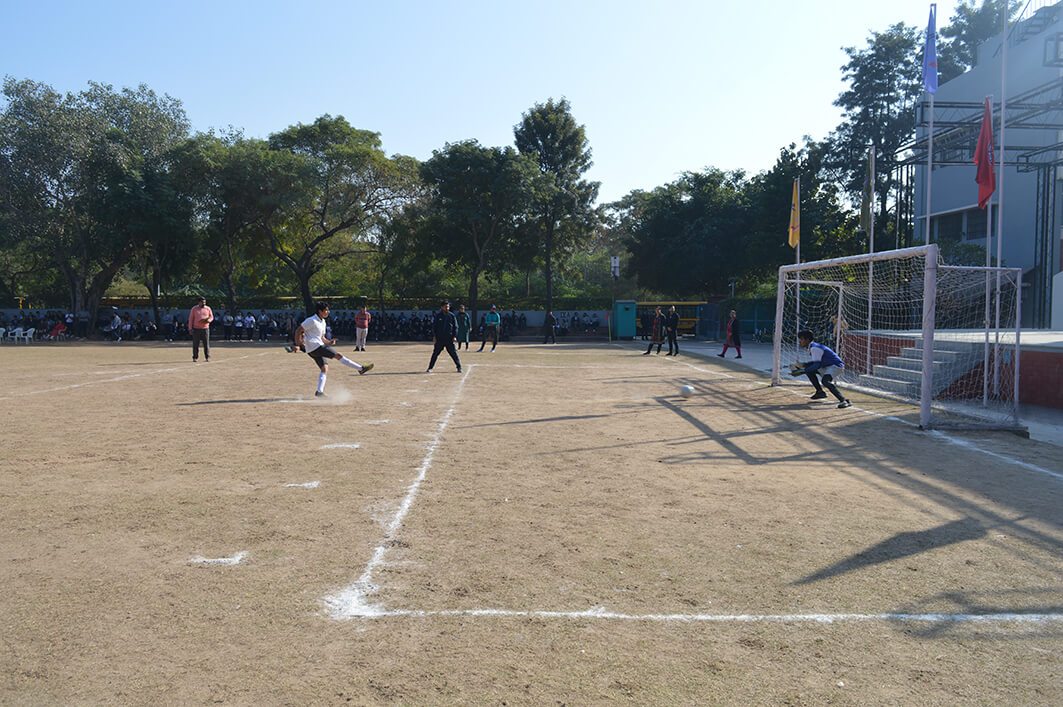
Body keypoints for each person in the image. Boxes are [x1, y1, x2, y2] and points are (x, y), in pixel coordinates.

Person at [286, 301, 373, 397]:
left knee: (324, 368)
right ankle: (361, 368)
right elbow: (298, 330)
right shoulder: (312, 320)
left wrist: (329, 342)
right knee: (338, 356)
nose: (328, 312)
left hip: (313, 349)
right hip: (315, 346)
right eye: (326, 310)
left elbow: (322, 338)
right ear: (320, 311)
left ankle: (319, 392)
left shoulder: (323, 322)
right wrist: (298, 344)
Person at [793, 330, 851, 409]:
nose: (800, 341)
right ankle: (820, 392)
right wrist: (804, 365)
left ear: (807, 340)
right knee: (809, 371)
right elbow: (816, 362)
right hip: (827, 366)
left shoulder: (814, 348)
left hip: (835, 366)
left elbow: (817, 365)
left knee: (825, 381)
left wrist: (803, 370)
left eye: (801, 339)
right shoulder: (812, 347)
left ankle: (843, 400)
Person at [426, 300, 462, 373]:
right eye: (445, 307)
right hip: (440, 338)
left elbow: (455, 327)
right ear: (442, 307)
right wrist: (434, 336)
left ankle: (459, 367)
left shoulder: (452, 315)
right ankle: (430, 368)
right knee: (435, 354)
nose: (447, 308)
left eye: (448, 306)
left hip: (449, 338)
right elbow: (434, 327)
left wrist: (454, 336)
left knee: (453, 354)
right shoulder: (438, 316)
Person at [188, 296, 214, 362]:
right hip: (196, 329)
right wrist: (190, 328)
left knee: (206, 344)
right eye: (202, 302)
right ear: (199, 302)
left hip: (205, 329)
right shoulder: (194, 309)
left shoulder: (208, 308)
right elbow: (191, 319)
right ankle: (195, 357)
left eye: (205, 302)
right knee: (195, 344)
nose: (204, 303)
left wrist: (208, 320)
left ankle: (207, 357)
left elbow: (211, 317)